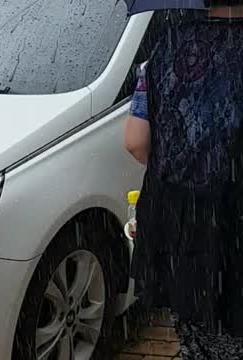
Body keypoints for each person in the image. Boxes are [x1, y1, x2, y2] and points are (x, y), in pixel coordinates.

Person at [124, 1, 243, 358]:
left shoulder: (168, 46)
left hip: (180, 226)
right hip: (235, 225)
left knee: (196, 334)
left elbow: (134, 141)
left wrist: (182, 175)